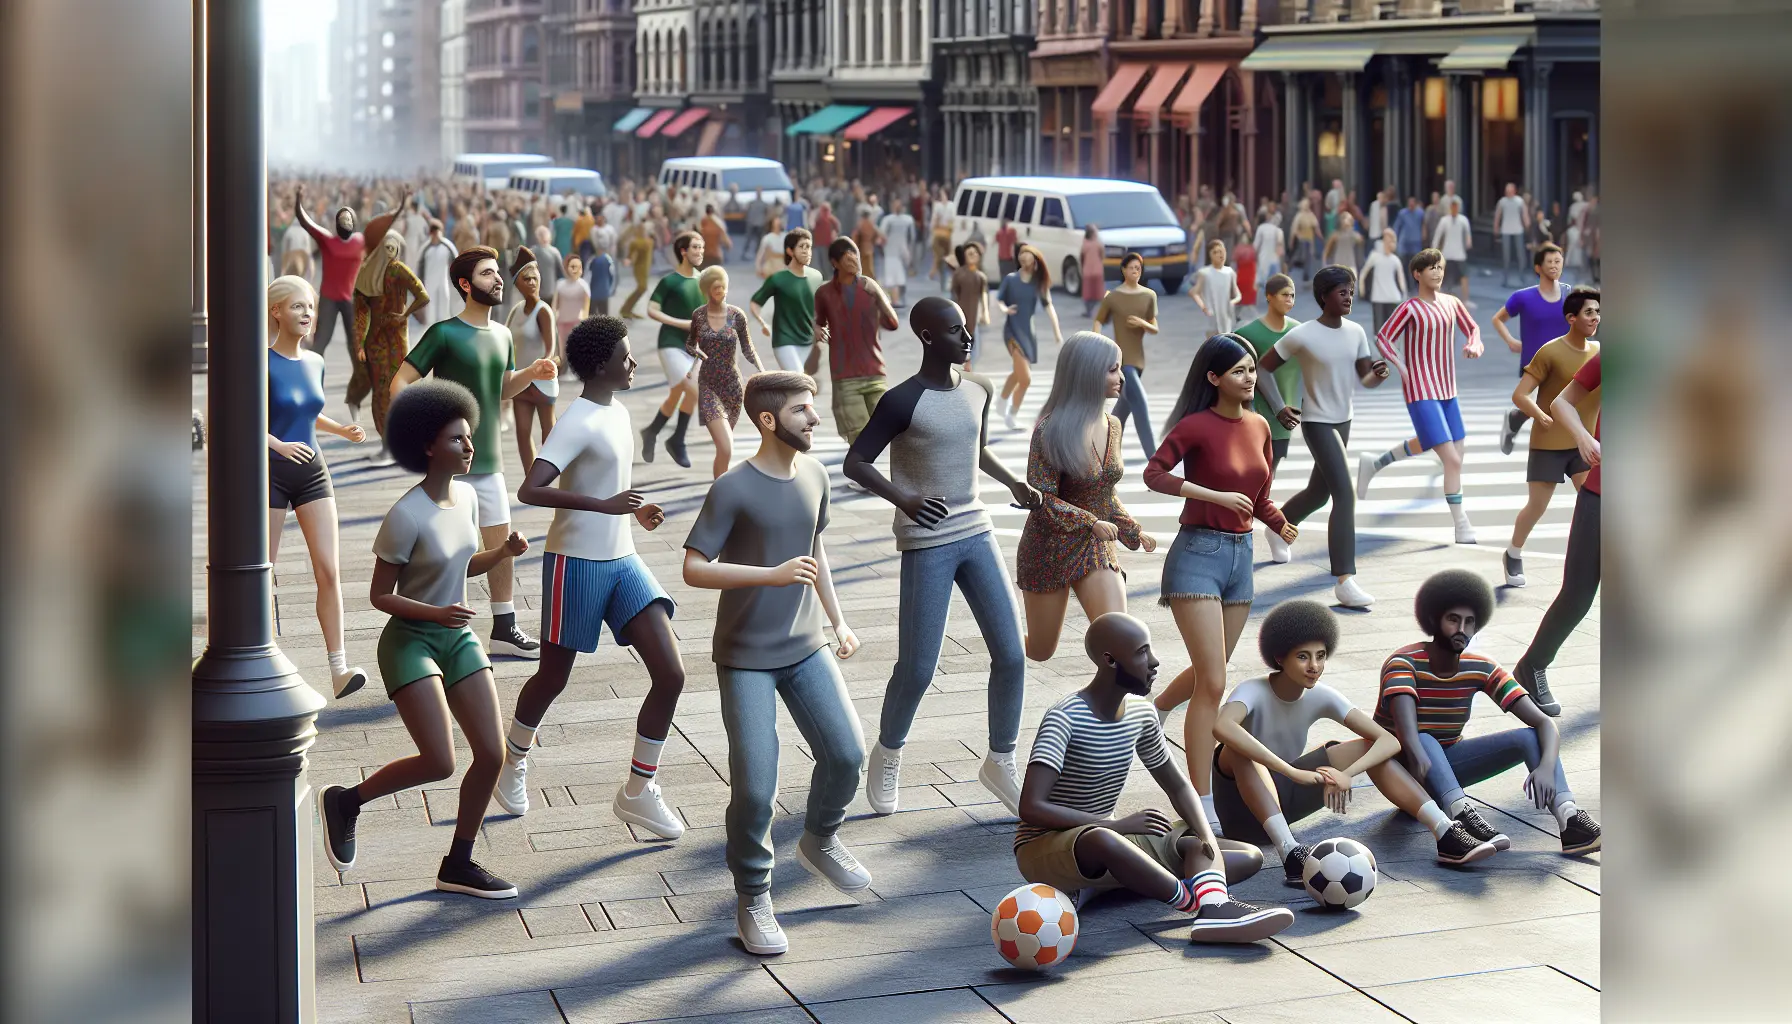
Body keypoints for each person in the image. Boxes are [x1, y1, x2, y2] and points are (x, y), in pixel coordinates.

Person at [317, 379, 530, 899]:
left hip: (454, 635)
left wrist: (501, 555)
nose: (469, 447)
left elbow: (464, 564)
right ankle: (347, 801)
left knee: (492, 754)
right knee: (440, 761)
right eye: (458, 439)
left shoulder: (468, 497)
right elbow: (379, 596)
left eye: (470, 437)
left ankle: (458, 862)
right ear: (428, 446)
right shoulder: (405, 515)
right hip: (410, 640)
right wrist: (435, 611)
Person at [682, 371, 869, 955]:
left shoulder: (815, 475)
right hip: (746, 659)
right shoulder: (732, 488)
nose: (815, 419)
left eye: (812, 409)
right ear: (767, 420)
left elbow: (814, 551)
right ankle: (753, 893)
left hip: (807, 644)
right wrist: (768, 575)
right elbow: (692, 567)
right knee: (757, 789)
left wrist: (836, 620)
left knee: (846, 755)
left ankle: (820, 839)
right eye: (802, 411)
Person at [844, 296, 1042, 817]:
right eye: (956, 331)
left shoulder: (977, 389)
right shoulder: (900, 400)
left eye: (967, 327)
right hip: (926, 541)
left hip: (977, 530)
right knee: (918, 667)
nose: (968, 337)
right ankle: (887, 752)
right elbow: (855, 461)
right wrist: (903, 498)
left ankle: (1001, 760)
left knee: (1012, 654)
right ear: (928, 337)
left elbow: (972, 447)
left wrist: (1013, 481)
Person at [497, 315, 689, 839]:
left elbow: (611, 484)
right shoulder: (576, 420)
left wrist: (634, 509)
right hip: (574, 563)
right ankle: (513, 761)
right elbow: (530, 490)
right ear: (601, 363)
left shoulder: (620, 412)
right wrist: (602, 506)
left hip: (623, 560)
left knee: (671, 674)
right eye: (625, 355)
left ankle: (637, 792)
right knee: (553, 677)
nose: (632, 363)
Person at [1017, 612, 1290, 942]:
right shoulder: (1065, 718)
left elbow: (1176, 785)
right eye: (1141, 652)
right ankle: (1193, 903)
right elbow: (1031, 807)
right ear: (1109, 660)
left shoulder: (1141, 714)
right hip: (1048, 846)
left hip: (1115, 840)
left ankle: (1211, 907)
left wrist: (1203, 835)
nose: (1154, 662)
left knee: (1246, 855)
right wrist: (1113, 826)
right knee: (1101, 840)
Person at [1215, 601, 1502, 879]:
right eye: (1303, 656)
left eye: (1321, 655)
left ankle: (1445, 832)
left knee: (1366, 748)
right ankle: (1290, 853)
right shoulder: (1252, 690)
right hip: (1240, 814)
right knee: (1238, 748)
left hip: (1284, 798)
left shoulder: (1321, 695)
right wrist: (1291, 771)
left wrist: (1347, 773)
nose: (1314, 666)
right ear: (1280, 657)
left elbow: (1387, 741)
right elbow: (1222, 726)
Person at [1144, 334, 1297, 839]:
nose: (1250, 378)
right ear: (1213, 378)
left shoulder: (1259, 426)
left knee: (1216, 668)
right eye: (1238, 371)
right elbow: (1154, 474)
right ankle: (1200, 800)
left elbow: (1258, 494)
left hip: (1242, 557)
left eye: (1252, 369)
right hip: (1197, 556)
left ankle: (1156, 709)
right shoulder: (1195, 426)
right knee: (1212, 681)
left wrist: (1279, 523)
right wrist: (1212, 493)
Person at [389, 245, 560, 659]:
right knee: (448, 551)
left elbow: (501, 388)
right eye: (487, 274)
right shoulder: (444, 333)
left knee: (502, 543)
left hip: (489, 462)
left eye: (497, 272)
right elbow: (400, 383)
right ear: (465, 284)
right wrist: (424, 431)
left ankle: (504, 627)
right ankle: (439, 630)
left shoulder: (502, 335)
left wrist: (532, 374)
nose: (498, 279)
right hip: (450, 467)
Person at [1377, 571, 1601, 855]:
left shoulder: (1480, 667)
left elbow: (1544, 722)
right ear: (1434, 619)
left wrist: (1545, 766)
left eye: (1469, 622)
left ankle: (1570, 819)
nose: (1462, 629)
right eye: (1453, 619)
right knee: (1424, 739)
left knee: (1530, 738)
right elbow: (1407, 734)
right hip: (1405, 773)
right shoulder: (1403, 663)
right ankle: (1460, 817)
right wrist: (1418, 758)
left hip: (1444, 768)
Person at [1253, 267, 1389, 608]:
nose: (1349, 298)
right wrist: (1279, 406)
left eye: (1352, 292)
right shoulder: (1304, 334)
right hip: (1316, 423)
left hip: (1345, 421)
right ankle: (1345, 580)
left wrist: (1377, 375)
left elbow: (1365, 378)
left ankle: (1278, 525)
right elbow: (1262, 367)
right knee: (1345, 494)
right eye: (1343, 292)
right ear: (1324, 296)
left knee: (1319, 491)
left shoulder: (1357, 332)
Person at [1017, 333, 1155, 662]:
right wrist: (1090, 522)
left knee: (1121, 640)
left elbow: (1105, 494)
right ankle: (1001, 635)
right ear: (1087, 372)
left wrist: (1132, 530)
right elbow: (1042, 498)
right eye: (1112, 369)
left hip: (1096, 548)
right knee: (1040, 650)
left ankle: (1114, 708)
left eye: (1120, 368)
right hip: (1050, 547)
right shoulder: (1050, 429)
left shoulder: (1114, 425)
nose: (1121, 377)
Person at [266, 276, 369, 700]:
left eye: (310, 307)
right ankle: (261, 656)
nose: (307, 314)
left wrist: (341, 430)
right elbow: (240, 420)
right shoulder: (260, 363)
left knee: (328, 570)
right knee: (262, 572)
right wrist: (277, 445)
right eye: (297, 307)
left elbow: (309, 411)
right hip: (269, 470)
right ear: (276, 312)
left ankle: (339, 669)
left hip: (312, 470)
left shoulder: (316, 362)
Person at [1356, 248, 1485, 545]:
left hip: (1448, 390)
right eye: (1431, 268)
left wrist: (1475, 346)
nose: (1437, 272)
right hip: (1420, 390)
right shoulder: (1410, 308)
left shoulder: (1452, 303)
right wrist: (1403, 369)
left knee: (1447, 449)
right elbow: (1384, 337)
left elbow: (1473, 328)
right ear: (1417, 274)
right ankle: (1461, 524)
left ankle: (1374, 464)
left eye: (1440, 267)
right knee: (1452, 460)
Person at [1511, 349, 1601, 718]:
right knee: (1578, 593)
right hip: (1602, 495)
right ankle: (1532, 666)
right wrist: (1582, 436)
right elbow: (1563, 402)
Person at [1504, 287, 1598, 589]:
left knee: (1592, 502)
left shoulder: (1599, 352)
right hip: (1548, 443)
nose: (1595, 317)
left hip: (1584, 444)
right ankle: (1513, 552)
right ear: (1571, 318)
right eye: (1588, 312)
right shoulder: (1550, 351)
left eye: (1597, 311)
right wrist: (1539, 414)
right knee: (1538, 506)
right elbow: (1520, 395)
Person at [347, 230, 428, 463]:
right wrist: (359, 343)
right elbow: (360, 314)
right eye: (385, 248)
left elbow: (422, 295)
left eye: (393, 248)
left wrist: (405, 315)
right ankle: (387, 446)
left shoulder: (399, 270)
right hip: (376, 342)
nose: (389, 252)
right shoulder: (367, 276)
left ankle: (404, 443)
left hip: (397, 340)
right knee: (380, 393)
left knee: (400, 390)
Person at [810, 237, 899, 451]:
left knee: (884, 429)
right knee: (858, 435)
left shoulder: (869, 288)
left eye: (855, 255)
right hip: (845, 376)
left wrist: (878, 293)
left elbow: (892, 323)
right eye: (848, 257)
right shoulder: (825, 293)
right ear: (835, 263)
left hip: (874, 372)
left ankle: (863, 474)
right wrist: (815, 329)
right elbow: (816, 322)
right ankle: (863, 478)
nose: (854, 260)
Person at [292, 184, 401, 358]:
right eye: (342, 219)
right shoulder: (327, 240)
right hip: (329, 298)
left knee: (357, 344)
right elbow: (305, 221)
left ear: (354, 223)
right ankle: (311, 377)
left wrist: (400, 207)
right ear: (337, 224)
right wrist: (298, 199)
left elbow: (383, 225)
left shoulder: (361, 241)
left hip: (350, 299)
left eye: (348, 219)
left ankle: (364, 381)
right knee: (321, 341)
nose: (345, 222)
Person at [685, 265, 765, 479]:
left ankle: (721, 493)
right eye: (716, 287)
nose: (721, 291)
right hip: (709, 385)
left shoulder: (736, 316)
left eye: (723, 286)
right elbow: (690, 344)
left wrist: (762, 371)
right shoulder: (699, 316)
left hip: (733, 387)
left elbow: (748, 348)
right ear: (707, 290)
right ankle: (721, 492)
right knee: (726, 446)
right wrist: (698, 355)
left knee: (724, 449)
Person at [637, 231, 708, 469]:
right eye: (695, 248)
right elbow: (651, 310)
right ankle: (677, 439)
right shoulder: (669, 281)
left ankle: (652, 432)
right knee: (694, 390)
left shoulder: (704, 281)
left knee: (679, 393)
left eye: (702, 247)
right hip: (670, 343)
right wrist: (681, 323)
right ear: (683, 251)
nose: (700, 252)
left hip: (695, 347)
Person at [1494, 243, 1568, 454]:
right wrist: (1510, 340)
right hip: (1535, 361)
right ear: (1538, 268)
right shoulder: (1523, 297)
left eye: (1558, 261)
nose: (1554, 266)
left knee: (1557, 404)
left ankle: (1516, 419)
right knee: (1551, 405)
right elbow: (1498, 319)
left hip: (1565, 359)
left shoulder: (1569, 294)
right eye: (1549, 262)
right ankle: (1520, 423)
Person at [1233, 273, 1303, 479]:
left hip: (1286, 420)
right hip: (1256, 415)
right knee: (1260, 471)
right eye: (1284, 295)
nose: (1289, 300)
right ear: (1269, 297)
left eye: (1292, 295)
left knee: (1270, 469)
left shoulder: (1299, 331)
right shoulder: (1248, 333)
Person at [1093, 253, 1161, 462]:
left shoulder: (1149, 295)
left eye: (1138, 268)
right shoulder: (1112, 297)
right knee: (1140, 401)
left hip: (1139, 361)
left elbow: (1154, 327)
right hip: (1121, 362)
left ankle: (1102, 449)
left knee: (1122, 411)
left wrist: (1142, 323)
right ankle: (1156, 460)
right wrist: (1097, 344)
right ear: (1123, 270)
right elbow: (1098, 321)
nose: (1135, 271)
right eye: (1131, 268)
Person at [994, 243, 1064, 430]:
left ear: (1035, 258)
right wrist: (1004, 309)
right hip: (1012, 330)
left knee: (1019, 373)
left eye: (1028, 254)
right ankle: (1011, 414)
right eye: (1022, 254)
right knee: (1025, 378)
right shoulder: (1010, 279)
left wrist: (1057, 332)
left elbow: (1049, 307)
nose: (1024, 257)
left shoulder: (1038, 283)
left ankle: (1002, 401)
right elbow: (999, 299)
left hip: (1028, 332)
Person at [504, 249, 560, 471]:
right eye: (526, 279)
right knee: (523, 432)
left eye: (535, 278)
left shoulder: (543, 311)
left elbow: (551, 348)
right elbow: (507, 342)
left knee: (549, 434)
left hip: (542, 381)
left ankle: (549, 475)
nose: (532, 282)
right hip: (521, 381)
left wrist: (543, 365)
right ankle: (531, 478)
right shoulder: (516, 310)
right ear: (517, 283)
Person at [750, 227, 824, 374]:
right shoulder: (778, 279)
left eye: (809, 247)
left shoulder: (817, 277)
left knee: (794, 386)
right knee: (799, 380)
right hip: (784, 341)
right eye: (801, 247)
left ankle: (778, 395)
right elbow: (755, 303)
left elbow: (818, 307)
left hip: (807, 341)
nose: (806, 251)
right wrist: (762, 323)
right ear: (790, 251)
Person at [949, 242, 993, 369]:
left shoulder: (981, 276)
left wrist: (985, 312)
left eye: (975, 253)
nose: (973, 255)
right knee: (962, 344)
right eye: (969, 253)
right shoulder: (958, 274)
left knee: (975, 347)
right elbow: (954, 294)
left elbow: (983, 295)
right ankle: (965, 366)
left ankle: (968, 367)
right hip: (961, 314)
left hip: (974, 315)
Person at [1359, 227, 1408, 334]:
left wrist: (1404, 295)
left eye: (1391, 240)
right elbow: (1363, 273)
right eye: (1386, 239)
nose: (1388, 242)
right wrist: (1361, 288)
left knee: (1391, 331)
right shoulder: (1375, 256)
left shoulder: (1395, 260)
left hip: (1393, 298)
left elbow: (1401, 280)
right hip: (1378, 298)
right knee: (1378, 332)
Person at [1190, 240, 1240, 337]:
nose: (1220, 255)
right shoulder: (1204, 273)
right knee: (1212, 346)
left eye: (1222, 251)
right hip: (1212, 316)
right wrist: (1204, 307)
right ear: (1210, 255)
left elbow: (1237, 293)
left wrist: (1233, 302)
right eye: (1215, 252)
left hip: (1226, 315)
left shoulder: (1229, 272)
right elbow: (1194, 292)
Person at [416, 220, 461, 327]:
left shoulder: (447, 246)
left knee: (444, 306)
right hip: (429, 282)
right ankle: (430, 328)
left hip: (443, 280)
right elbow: (419, 266)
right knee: (430, 309)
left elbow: (456, 261)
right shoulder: (425, 248)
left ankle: (444, 328)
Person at [1431, 198, 1473, 306]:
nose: (1454, 208)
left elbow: (1468, 234)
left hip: (1460, 254)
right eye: (1452, 206)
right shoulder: (1444, 220)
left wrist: (1468, 241)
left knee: (1464, 276)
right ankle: (1436, 299)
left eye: (1456, 206)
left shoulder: (1463, 220)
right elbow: (1437, 236)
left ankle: (1465, 299)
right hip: (1447, 253)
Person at [878, 202, 917, 307]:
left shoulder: (888, 220)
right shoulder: (907, 220)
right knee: (899, 275)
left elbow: (881, 234)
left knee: (894, 276)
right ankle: (897, 298)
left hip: (892, 251)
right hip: (901, 250)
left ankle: (895, 299)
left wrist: (882, 245)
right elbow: (912, 237)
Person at [619, 217, 655, 318]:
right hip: (639, 268)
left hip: (645, 268)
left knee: (642, 288)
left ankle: (627, 309)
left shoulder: (647, 241)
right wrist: (629, 260)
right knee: (642, 288)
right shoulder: (637, 243)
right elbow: (632, 255)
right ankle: (626, 309)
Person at [1494, 183, 1529, 287]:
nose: (1507, 192)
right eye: (1506, 190)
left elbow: (1524, 213)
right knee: (1506, 256)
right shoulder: (1502, 202)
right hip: (1506, 231)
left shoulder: (1519, 201)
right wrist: (1496, 227)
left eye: (1509, 190)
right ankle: (1505, 278)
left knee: (1520, 255)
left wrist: (1527, 224)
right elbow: (1498, 214)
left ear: (1514, 190)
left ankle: (1522, 276)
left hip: (1518, 230)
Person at [1252, 212, 1285, 294]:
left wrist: (1253, 256)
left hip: (1263, 258)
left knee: (1260, 279)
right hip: (1274, 259)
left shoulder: (1261, 228)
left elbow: (1255, 245)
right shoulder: (1278, 230)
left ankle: (1253, 301)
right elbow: (1280, 248)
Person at [1079, 225, 1106, 317]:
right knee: (1098, 293)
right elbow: (1102, 255)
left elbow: (1081, 257)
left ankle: (1088, 311)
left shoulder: (1084, 244)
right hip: (1098, 271)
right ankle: (1105, 312)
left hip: (1087, 271)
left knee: (1087, 293)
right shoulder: (1098, 244)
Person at [1290, 198, 1320, 281]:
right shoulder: (1299, 216)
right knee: (1303, 256)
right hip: (1302, 240)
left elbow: (1316, 227)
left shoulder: (1310, 215)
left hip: (1309, 240)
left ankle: (1306, 274)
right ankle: (1297, 271)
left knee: (1308, 257)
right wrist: (1292, 241)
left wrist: (1321, 237)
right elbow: (1294, 229)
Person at [930, 187, 955, 286]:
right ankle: (940, 275)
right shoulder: (937, 206)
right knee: (938, 255)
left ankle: (947, 276)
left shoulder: (952, 206)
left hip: (948, 234)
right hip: (939, 232)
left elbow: (953, 220)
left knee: (948, 257)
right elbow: (934, 220)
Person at [1393, 195, 1425, 265]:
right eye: (1410, 202)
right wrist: (1395, 239)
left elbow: (1423, 225)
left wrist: (1423, 235)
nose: (1411, 204)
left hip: (1416, 242)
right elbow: (1397, 227)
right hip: (1404, 242)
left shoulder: (1420, 213)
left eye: (1413, 202)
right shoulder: (1402, 213)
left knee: (1415, 263)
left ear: (1415, 203)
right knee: (1403, 262)